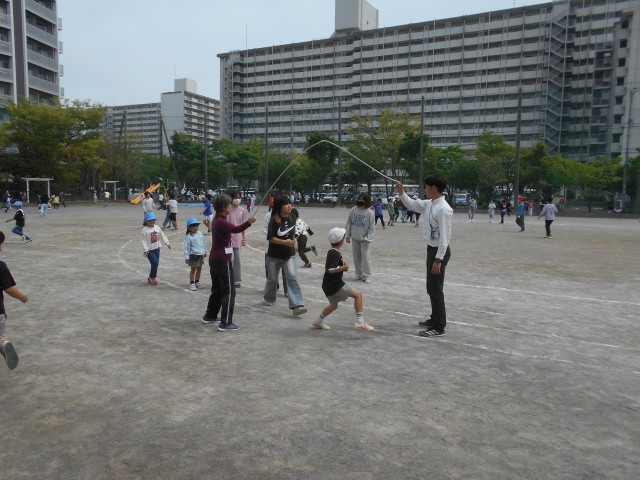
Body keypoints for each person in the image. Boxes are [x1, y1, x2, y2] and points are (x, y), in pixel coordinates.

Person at [396, 175, 453, 338]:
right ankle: (434, 318)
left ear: (433, 188)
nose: (425, 189)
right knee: (431, 287)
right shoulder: (430, 204)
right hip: (432, 249)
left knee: (436, 290)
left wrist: (438, 259)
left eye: (427, 186)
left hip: (439, 252)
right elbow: (412, 204)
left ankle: (439, 327)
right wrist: (401, 192)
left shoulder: (443, 209)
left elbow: (444, 237)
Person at [202, 194, 256, 331]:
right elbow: (236, 229)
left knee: (217, 289)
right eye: (229, 205)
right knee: (229, 290)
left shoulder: (216, 219)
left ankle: (210, 315)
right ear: (224, 207)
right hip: (222, 260)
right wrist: (248, 222)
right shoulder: (222, 222)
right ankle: (226, 322)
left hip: (214, 258)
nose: (231, 206)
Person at [313, 227, 374, 331]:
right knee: (358, 295)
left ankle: (318, 321)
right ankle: (360, 322)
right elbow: (330, 270)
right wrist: (344, 267)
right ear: (342, 240)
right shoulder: (335, 253)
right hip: (334, 284)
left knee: (334, 306)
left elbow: (333, 267)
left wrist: (342, 268)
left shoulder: (332, 251)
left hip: (328, 285)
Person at [263, 195, 307, 315]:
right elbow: (270, 238)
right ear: (279, 207)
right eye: (286, 204)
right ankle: (269, 298)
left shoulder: (293, 217)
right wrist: (284, 242)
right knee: (272, 279)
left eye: (290, 203)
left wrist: (294, 242)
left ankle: (297, 305)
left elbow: (292, 233)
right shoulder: (274, 220)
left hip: (289, 255)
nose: (289, 206)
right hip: (274, 255)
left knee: (292, 277)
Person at [0, 231, 28, 370]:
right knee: (1, 336)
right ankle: (2, 345)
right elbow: (9, 289)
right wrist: (22, 297)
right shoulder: (1, 266)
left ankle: (2, 345)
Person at [345, 192, 375, 283]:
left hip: (364, 239)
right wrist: (347, 235)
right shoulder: (354, 210)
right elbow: (349, 222)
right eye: (359, 199)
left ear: (366, 201)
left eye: (362, 199)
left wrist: (368, 238)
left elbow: (372, 227)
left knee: (365, 257)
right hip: (355, 238)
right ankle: (358, 274)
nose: (360, 201)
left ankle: (367, 275)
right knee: (356, 257)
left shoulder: (369, 212)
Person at [140, 212, 171, 285]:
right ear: (146, 221)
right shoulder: (144, 230)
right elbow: (143, 241)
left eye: (153, 220)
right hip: (149, 250)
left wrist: (167, 243)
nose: (152, 221)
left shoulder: (157, 227)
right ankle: (152, 277)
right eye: (150, 220)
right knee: (155, 263)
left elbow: (162, 235)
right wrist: (145, 250)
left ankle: (150, 277)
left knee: (156, 264)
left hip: (157, 248)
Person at [227, 190, 248, 288]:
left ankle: (237, 280)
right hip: (228, 240)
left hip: (238, 239)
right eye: (235, 197)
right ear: (231, 198)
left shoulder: (242, 210)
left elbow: (243, 226)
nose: (237, 199)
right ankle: (227, 278)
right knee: (228, 259)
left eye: (239, 197)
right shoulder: (227, 209)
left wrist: (244, 238)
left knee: (237, 260)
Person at [184, 217, 206, 291]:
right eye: (193, 226)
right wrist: (187, 257)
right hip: (193, 255)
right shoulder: (188, 237)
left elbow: (203, 243)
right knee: (193, 270)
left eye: (196, 226)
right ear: (189, 228)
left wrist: (204, 251)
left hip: (200, 255)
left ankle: (197, 282)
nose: (195, 227)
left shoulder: (200, 234)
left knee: (199, 269)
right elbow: (186, 248)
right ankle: (192, 283)